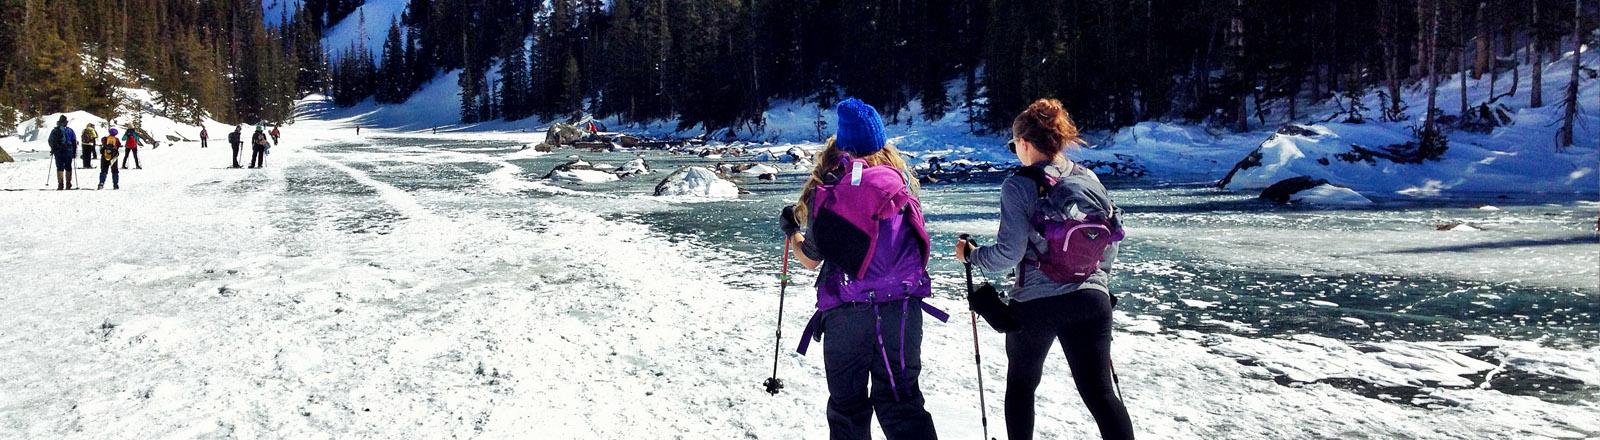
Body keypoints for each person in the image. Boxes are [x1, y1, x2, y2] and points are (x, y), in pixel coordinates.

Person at [954, 99, 1133, 440]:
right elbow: (1111, 239)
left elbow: (1009, 254)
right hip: (1092, 299)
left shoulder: (1019, 185)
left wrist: (972, 255)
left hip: (1037, 304)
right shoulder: (1088, 178)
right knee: (1101, 394)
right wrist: (1098, 279)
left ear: (1023, 143)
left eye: (1015, 145)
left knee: (1021, 387)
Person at [781, 98, 943, 440]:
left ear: (843, 143)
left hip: (846, 314)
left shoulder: (828, 189)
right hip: (902, 310)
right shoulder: (903, 183)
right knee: (903, 403)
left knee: (848, 409)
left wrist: (792, 233)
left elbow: (811, 259)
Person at [46, 115, 78, 190]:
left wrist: (53, 148)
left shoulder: (55, 130)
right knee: (68, 167)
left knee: (59, 167)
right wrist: (74, 152)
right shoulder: (70, 130)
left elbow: (50, 140)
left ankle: (60, 184)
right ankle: (68, 184)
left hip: (58, 151)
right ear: (66, 122)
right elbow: (74, 141)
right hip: (68, 150)